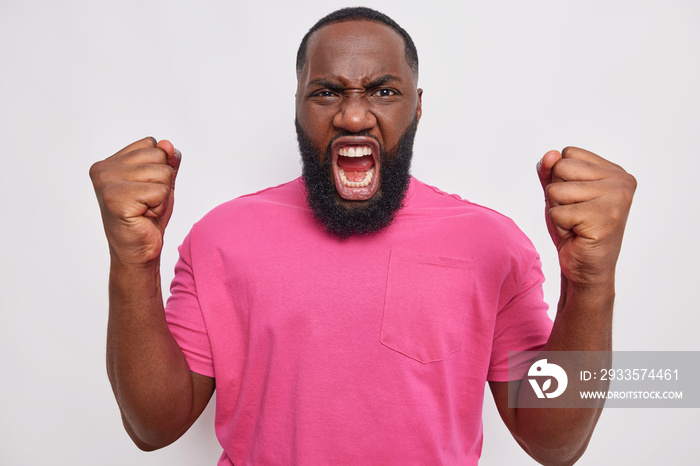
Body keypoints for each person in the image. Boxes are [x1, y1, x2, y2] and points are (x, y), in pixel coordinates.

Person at [89, 6, 636, 465]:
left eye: (384, 91)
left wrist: (590, 283)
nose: (354, 115)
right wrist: (132, 260)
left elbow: (556, 442)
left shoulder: (493, 244)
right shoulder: (220, 238)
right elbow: (151, 427)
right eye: (326, 93)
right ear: (298, 107)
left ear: (417, 106)